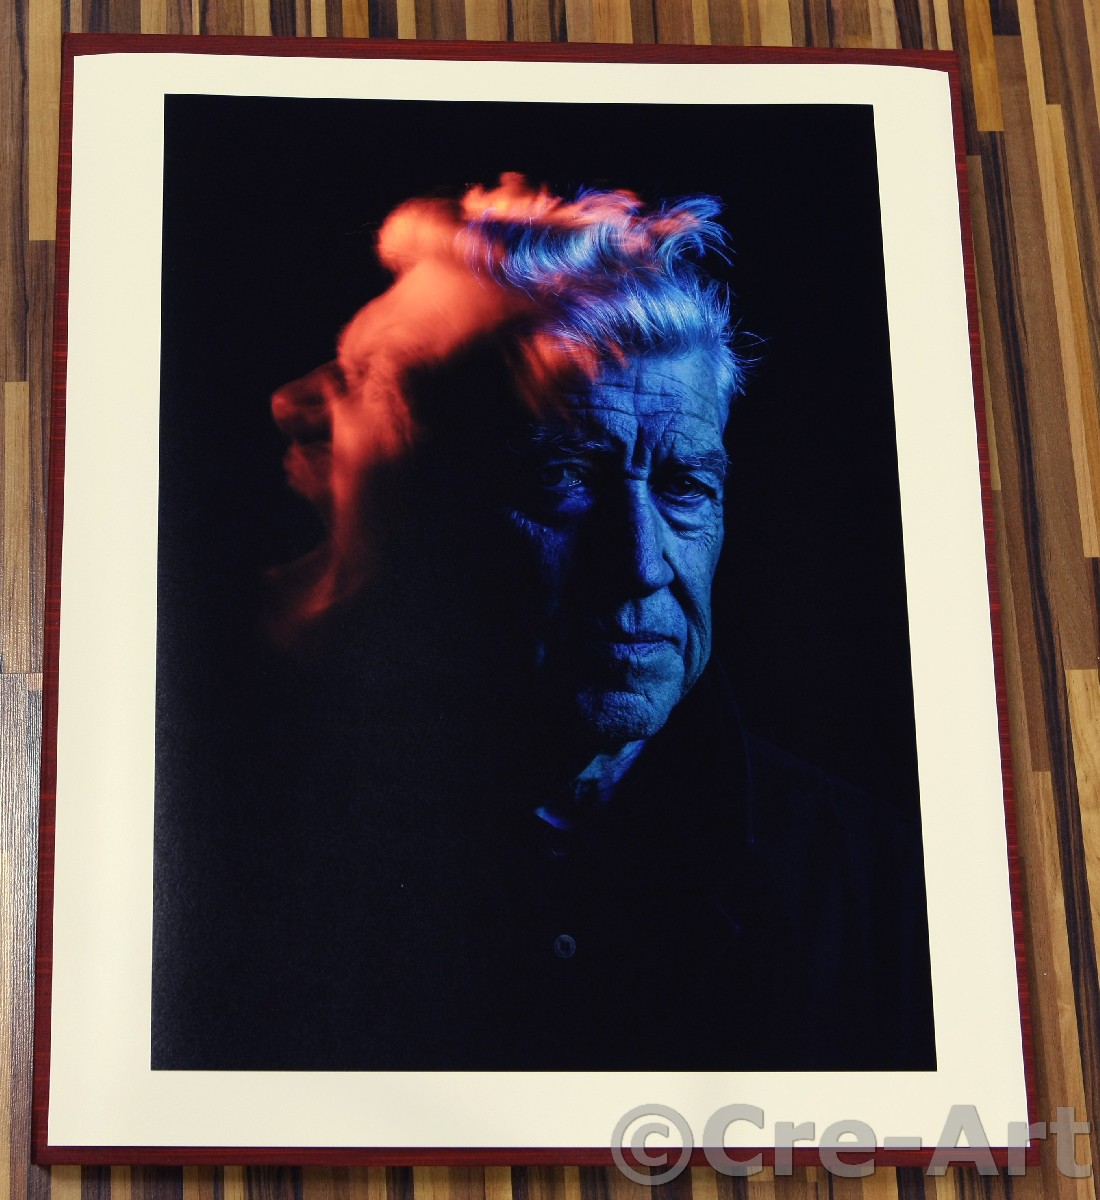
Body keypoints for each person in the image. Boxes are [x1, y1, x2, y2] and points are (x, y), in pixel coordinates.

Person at [152, 175, 935, 1072]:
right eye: (563, 477)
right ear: (420, 509)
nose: (640, 562)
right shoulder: (245, 855)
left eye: (684, 486)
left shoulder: (876, 891)